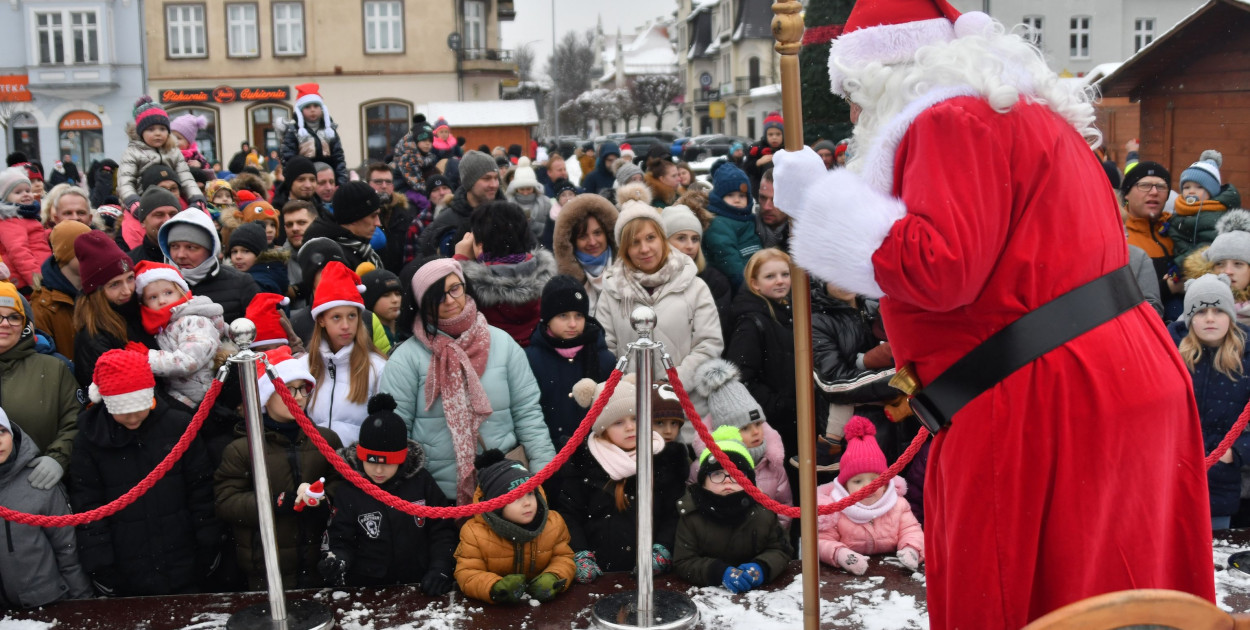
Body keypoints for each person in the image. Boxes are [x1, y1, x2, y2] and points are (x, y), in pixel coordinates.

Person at [773, 2, 1214, 625]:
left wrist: (818, 201)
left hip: (1039, 396)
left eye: (855, 94)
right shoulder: (1027, 116)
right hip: (1108, 375)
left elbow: (940, 267)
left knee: (1019, 595)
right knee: (1122, 595)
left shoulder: (949, 118)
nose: (852, 113)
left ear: (892, 75)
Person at [379, 258, 555, 505]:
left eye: (454, 289)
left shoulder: (503, 344)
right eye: (437, 295)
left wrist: (544, 474)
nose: (450, 300)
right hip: (436, 498)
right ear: (421, 302)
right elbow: (396, 432)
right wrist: (407, 493)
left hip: (505, 490)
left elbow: (528, 415)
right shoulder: (406, 359)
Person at [70, 349, 221, 596]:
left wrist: (209, 540)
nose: (131, 417)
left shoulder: (178, 425)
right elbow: (88, 504)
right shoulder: (89, 440)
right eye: (122, 410)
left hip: (182, 554)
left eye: (138, 407)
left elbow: (201, 488)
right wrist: (100, 563)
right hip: (126, 561)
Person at [215, 346, 342, 590]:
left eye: (303, 388)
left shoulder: (325, 439)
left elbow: (342, 484)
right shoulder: (242, 449)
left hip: (317, 558)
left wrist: (323, 497)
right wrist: (276, 502)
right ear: (265, 396)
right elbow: (226, 502)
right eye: (288, 389)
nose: (299, 397)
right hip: (265, 566)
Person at [319, 394, 458, 591]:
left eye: (387, 464)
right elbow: (341, 539)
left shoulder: (420, 482)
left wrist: (441, 568)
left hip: (418, 585)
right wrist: (339, 561)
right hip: (367, 589)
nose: (378, 471)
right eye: (371, 462)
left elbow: (442, 531)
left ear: (401, 459)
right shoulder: (349, 490)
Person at [559, 376, 687, 580]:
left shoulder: (664, 458)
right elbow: (570, 514)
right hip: (601, 574)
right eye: (618, 422)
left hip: (653, 577)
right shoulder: (583, 463)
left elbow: (675, 512)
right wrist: (580, 553)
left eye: (635, 419)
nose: (630, 427)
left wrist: (663, 548)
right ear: (603, 428)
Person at [597, 195, 723, 390]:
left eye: (650, 238)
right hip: (633, 406)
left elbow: (708, 344)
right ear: (625, 249)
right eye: (634, 242)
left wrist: (670, 382)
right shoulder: (612, 291)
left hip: (685, 406)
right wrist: (630, 386)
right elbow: (606, 349)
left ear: (662, 239)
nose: (645, 249)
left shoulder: (695, 286)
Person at [1169, 274, 1250, 530]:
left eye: (1218, 310)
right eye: (1201, 311)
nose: (1210, 318)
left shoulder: (1245, 359)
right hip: (1172, 471)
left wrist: (1235, 452)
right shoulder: (1168, 352)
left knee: (1214, 549)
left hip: (1220, 478)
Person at [673, 425, 793, 593]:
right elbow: (683, 560)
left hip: (758, 594)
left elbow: (781, 549)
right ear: (703, 481)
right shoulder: (691, 514)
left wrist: (761, 567)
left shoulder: (763, 512)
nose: (727, 481)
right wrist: (717, 572)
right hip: (705, 595)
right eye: (717, 474)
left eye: (736, 474)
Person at [454, 450, 576, 604]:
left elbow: (564, 557)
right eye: (516, 497)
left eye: (530, 493)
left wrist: (554, 576)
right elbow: (467, 573)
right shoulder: (474, 533)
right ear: (496, 504)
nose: (527, 502)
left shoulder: (553, 523)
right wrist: (495, 587)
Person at [0, 409, 93, 608]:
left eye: (2, 432)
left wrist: (82, 602)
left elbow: (67, 549)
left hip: (46, 601)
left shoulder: (38, 481)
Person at [815, 416, 923, 576]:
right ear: (845, 485)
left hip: (891, 574)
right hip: (845, 580)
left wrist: (911, 548)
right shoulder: (834, 509)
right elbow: (821, 542)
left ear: (886, 481)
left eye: (875, 480)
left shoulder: (897, 504)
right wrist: (841, 555)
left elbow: (911, 530)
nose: (868, 486)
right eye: (858, 481)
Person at [691, 358, 792, 529]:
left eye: (758, 424)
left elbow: (784, 507)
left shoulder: (772, 465)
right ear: (725, 432)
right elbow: (693, 509)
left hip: (764, 544)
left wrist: (773, 538)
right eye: (745, 428)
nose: (755, 432)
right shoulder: (702, 467)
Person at [0, 282, 81, 491]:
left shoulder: (55, 368)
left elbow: (77, 421)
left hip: (39, 491)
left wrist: (58, 458)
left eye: (14, 317)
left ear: (26, 324)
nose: (5, 323)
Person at [524, 275, 615, 447]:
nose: (573, 324)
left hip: (597, 452)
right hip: (549, 451)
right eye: (563, 316)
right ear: (548, 319)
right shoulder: (530, 360)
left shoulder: (603, 358)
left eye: (579, 315)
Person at [303, 262, 388, 445]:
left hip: (355, 468)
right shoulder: (304, 366)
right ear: (321, 320)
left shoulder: (377, 367)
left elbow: (384, 428)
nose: (345, 325)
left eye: (352, 315)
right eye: (336, 317)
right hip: (314, 466)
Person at [454, 202, 557, 346]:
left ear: (480, 245)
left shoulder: (469, 287)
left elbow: (448, 296)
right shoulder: (548, 279)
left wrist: (460, 259)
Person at [134, 261, 225, 409]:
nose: (162, 300)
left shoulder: (194, 320)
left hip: (201, 396)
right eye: (153, 297)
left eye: (168, 293)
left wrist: (147, 358)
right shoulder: (164, 325)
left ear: (181, 291)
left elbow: (189, 361)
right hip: (181, 393)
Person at [72, 231, 154, 387]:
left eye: (130, 278)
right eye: (114, 284)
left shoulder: (138, 308)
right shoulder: (94, 338)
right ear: (96, 291)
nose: (127, 290)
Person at [157, 207, 259, 323]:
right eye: (174, 246)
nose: (180, 255)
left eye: (191, 247)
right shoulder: (157, 285)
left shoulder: (242, 283)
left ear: (210, 250)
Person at [117, 96, 206, 212]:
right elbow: (125, 181)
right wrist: (132, 200)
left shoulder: (173, 151)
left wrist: (195, 197)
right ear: (141, 132)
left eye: (162, 129)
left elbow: (185, 178)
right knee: (132, 227)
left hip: (172, 199)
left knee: (200, 216)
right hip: (142, 200)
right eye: (151, 129)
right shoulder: (133, 152)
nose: (158, 133)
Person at [662, 194, 733, 336]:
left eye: (695, 239)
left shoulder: (714, 281)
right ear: (665, 241)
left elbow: (716, 334)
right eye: (681, 238)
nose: (690, 246)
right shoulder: (650, 278)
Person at [417, 151, 503, 258]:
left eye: (496, 178)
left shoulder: (510, 216)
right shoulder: (445, 221)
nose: (494, 185)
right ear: (469, 182)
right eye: (487, 178)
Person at [1172, 149, 1242, 270]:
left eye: (1199, 187)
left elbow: (1207, 245)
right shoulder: (1180, 211)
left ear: (1212, 191)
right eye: (1186, 187)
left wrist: (1180, 263)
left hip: (1199, 266)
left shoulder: (1214, 215)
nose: (1191, 191)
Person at [31, 220, 91, 360]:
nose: (93, 253)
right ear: (67, 254)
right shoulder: (43, 305)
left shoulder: (98, 289)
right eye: (85, 249)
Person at [551, 193, 618, 316]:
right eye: (583, 236)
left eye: (597, 233)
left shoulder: (626, 273)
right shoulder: (562, 284)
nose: (592, 242)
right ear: (572, 241)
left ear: (608, 234)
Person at [702, 160, 762, 290]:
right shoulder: (719, 222)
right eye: (730, 195)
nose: (737, 200)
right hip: (740, 283)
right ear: (719, 197)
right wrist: (743, 282)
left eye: (742, 195)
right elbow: (726, 255)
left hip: (757, 276)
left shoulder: (748, 219)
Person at [278, 83, 348, 185]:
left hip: (329, 181)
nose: (312, 110)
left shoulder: (330, 131)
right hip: (305, 182)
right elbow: (289, 161)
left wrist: (341, 183)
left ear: (322, 109)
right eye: (307, 107)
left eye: (316, 106)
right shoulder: (293, 132)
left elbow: (339, 158)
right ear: (300, 111)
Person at [0, 167, 53, 289]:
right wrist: (36, 280)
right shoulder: (11, 220)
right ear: (5, 198)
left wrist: (51, 234)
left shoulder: (25, 216)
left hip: (38, 272)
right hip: (26, 282)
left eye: (28, 190)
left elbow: (34, 239)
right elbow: (19, 252)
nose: (25, 194)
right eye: (18, 192)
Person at [229, 222, 288, 296]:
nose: (238, 256)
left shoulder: (258, 284)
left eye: (246, 251)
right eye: (234, 251)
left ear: (259, 254)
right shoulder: (269, 272)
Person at [126, 187, 182, 264]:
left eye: (173, 214)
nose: (167, 220)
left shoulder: (195, 256)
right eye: (159, 215)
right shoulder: (131, 263)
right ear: (143, 222)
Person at [505, 157, 552, 244]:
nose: (525, 193)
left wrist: (533, 224)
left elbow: (551, 229)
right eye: (521, 189)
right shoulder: (508, 204)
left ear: (534, 188)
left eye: (528, 189)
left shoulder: (546, 203)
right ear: (516, 189)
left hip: (542, 246)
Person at [394, 115, 439, 192]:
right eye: (424, 140)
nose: (428, 144)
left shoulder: (426, 157)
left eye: (430, 141)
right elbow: (418, 186)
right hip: (405, 195)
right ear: (415, 141)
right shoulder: (407, 158)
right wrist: (434, 191)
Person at [362, 268, 403, 349]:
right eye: (386, 295)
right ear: (370, 300)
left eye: (398, 294)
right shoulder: (365, 336)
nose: (395, 300)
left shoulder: (409, 330)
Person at [743, 112, 784, 194]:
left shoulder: (787, 148)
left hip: (781, 192)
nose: (774, 137)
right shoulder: (756, 148)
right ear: (766, 135)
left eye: (778, 134)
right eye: (770, 134)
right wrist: (758, 162)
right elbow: (746, 167)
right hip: (760, 191)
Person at [754, 168, 790, 251]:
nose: (767, 207)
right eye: (763, 197)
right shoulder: (746, 228)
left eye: (775, 200)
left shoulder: (802, 238)